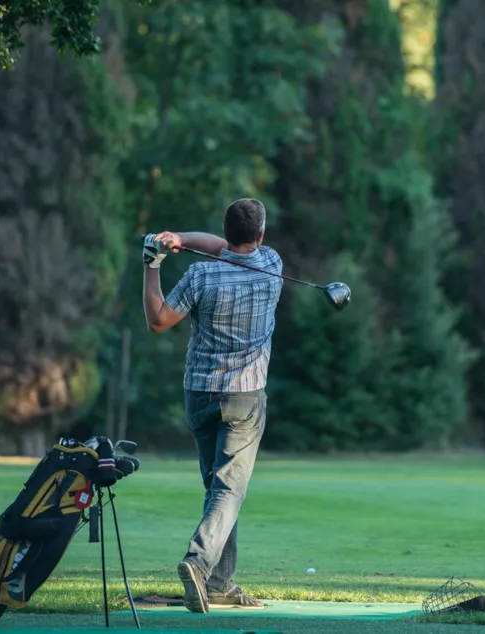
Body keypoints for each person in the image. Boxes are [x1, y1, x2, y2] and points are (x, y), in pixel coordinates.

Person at [141, 198, 283, 613]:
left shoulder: (201, 274)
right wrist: (182, 240)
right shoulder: (271, 264)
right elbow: (229, 245)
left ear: (225, 230)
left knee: (220, 491)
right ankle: (199, 563)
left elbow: (158, 319)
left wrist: (154, 262)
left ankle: (221, 584)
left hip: (200, 394)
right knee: (228, 490)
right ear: (259, 235)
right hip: (245, 398)